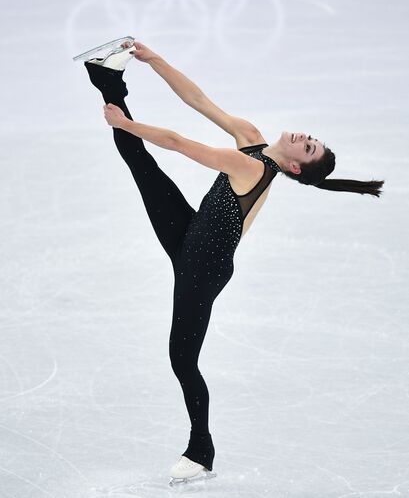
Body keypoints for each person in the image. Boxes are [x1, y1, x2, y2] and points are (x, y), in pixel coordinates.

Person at [77, 38, 384, 486]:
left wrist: (128, 123)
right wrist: (155, 60)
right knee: (136, 156)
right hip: (190, 234)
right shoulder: (251, 140)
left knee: (182, 359)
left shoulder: (254, 168)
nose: (305, 138)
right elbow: (199, 100)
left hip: (204, 266)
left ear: (297, 168)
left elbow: (180, 143)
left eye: (309, 148)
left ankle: (201, 450)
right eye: (312, 139)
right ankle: (108, 76)